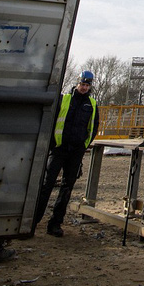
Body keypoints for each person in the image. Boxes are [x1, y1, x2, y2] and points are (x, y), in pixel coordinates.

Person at [34, 70, 99, 237]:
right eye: (82, 84)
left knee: (66, 187)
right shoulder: (64, 100)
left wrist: (83, 146)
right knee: (47, 185)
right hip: (59, 149)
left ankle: (55, 224)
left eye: (87, 85)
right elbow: (52, 121)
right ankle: (33, 221)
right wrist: (52, 145)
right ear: (77, 84)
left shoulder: (91, 104)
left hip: (76, 151)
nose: (84, 87)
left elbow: (93, 128)